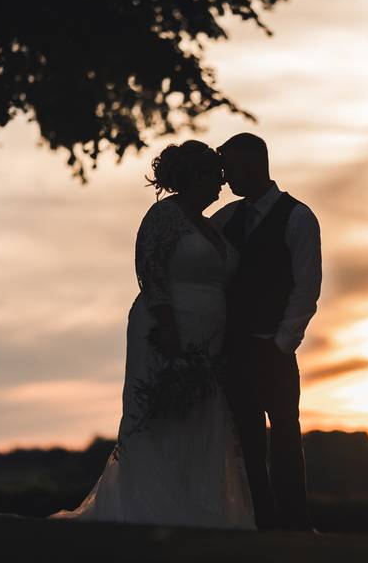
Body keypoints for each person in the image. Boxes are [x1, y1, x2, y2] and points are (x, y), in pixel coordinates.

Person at [47, 140, 255, 529]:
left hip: (209, 337)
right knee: (162, 415)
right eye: (215, 176)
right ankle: (153, 506)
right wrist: (169, 329)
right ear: (196, 176)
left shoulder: (213, 225)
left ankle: (199, 506)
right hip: (166, 328)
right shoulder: (164, 217)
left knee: (200, 418)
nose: (221, 185)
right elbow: (151, 273)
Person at [209, 132, 322, 531]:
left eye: (232, 168)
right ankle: (261, 521)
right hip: (234, 350)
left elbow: (306, 287)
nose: (226, 178)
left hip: (273, 351)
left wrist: (280, 343)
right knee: (249, 443)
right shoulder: (225, 220)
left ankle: (296, 521)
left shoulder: (298, 217)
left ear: (255, 165)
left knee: (286, 437)